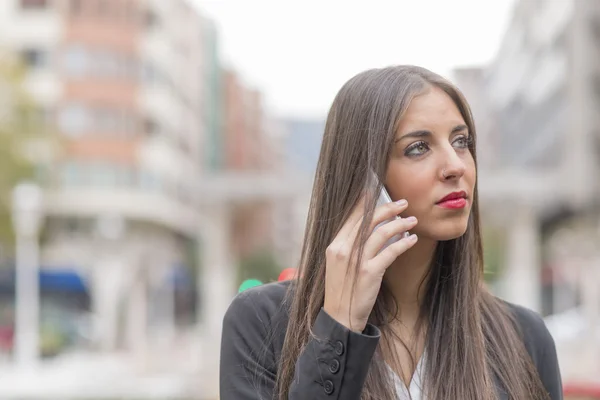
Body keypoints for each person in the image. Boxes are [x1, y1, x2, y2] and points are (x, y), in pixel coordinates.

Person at [219, 65, 562, 400]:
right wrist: (340, 326)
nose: (456, 165)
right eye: (418, 148)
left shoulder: (523, 336)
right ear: (364, 181)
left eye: (461, 141)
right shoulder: (261, 323)